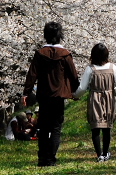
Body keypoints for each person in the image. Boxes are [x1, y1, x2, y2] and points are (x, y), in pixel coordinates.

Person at [22, 21, 79, 167]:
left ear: (45, 35)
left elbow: (32, 74)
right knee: (55, 128)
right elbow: (73, 75)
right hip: (59, 96)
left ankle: (42, 158)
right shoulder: (65, 55)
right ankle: (50, 158)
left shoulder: (40, 54)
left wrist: (26, 92)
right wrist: (76, 90)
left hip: (43, 95)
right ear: (60, 36)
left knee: (44, 127)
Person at [73, 43, 116, 162]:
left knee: (95, 127)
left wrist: (75, 95)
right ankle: (105, 154)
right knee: (106, 128)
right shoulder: (112, 67)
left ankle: (99, 155)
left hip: (95, 99)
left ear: (93, 55)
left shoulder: (90, 69)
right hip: (109, 99)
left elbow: (83, 87)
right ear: (106, 54)